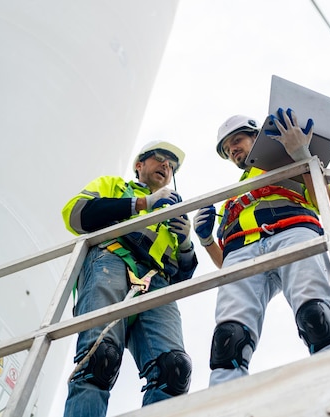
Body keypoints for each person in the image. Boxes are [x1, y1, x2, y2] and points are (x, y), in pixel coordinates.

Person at [193, 108, 330, 386]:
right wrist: (206, 241)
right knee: (230, 337)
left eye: (237, 140)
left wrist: (302, 156)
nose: (232, 150)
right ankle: (225, 400)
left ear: (257, 136)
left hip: (293, 232)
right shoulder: (232, 199)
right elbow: (225, 264)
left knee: (316, 316)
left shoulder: (288, 163)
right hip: (243, 252)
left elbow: (324, 201)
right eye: (227, 149)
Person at [61, 140, 197, 417]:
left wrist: (186, 244)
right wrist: (140, 204)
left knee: (174, 370)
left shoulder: (170, 215)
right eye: (159, 159)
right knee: (99, 359)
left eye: (170, 165)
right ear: (139, 165)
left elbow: (182, 276)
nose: (165, 167)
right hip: (111, 260)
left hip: (155, 281)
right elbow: (76, 215)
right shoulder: (114, 187)